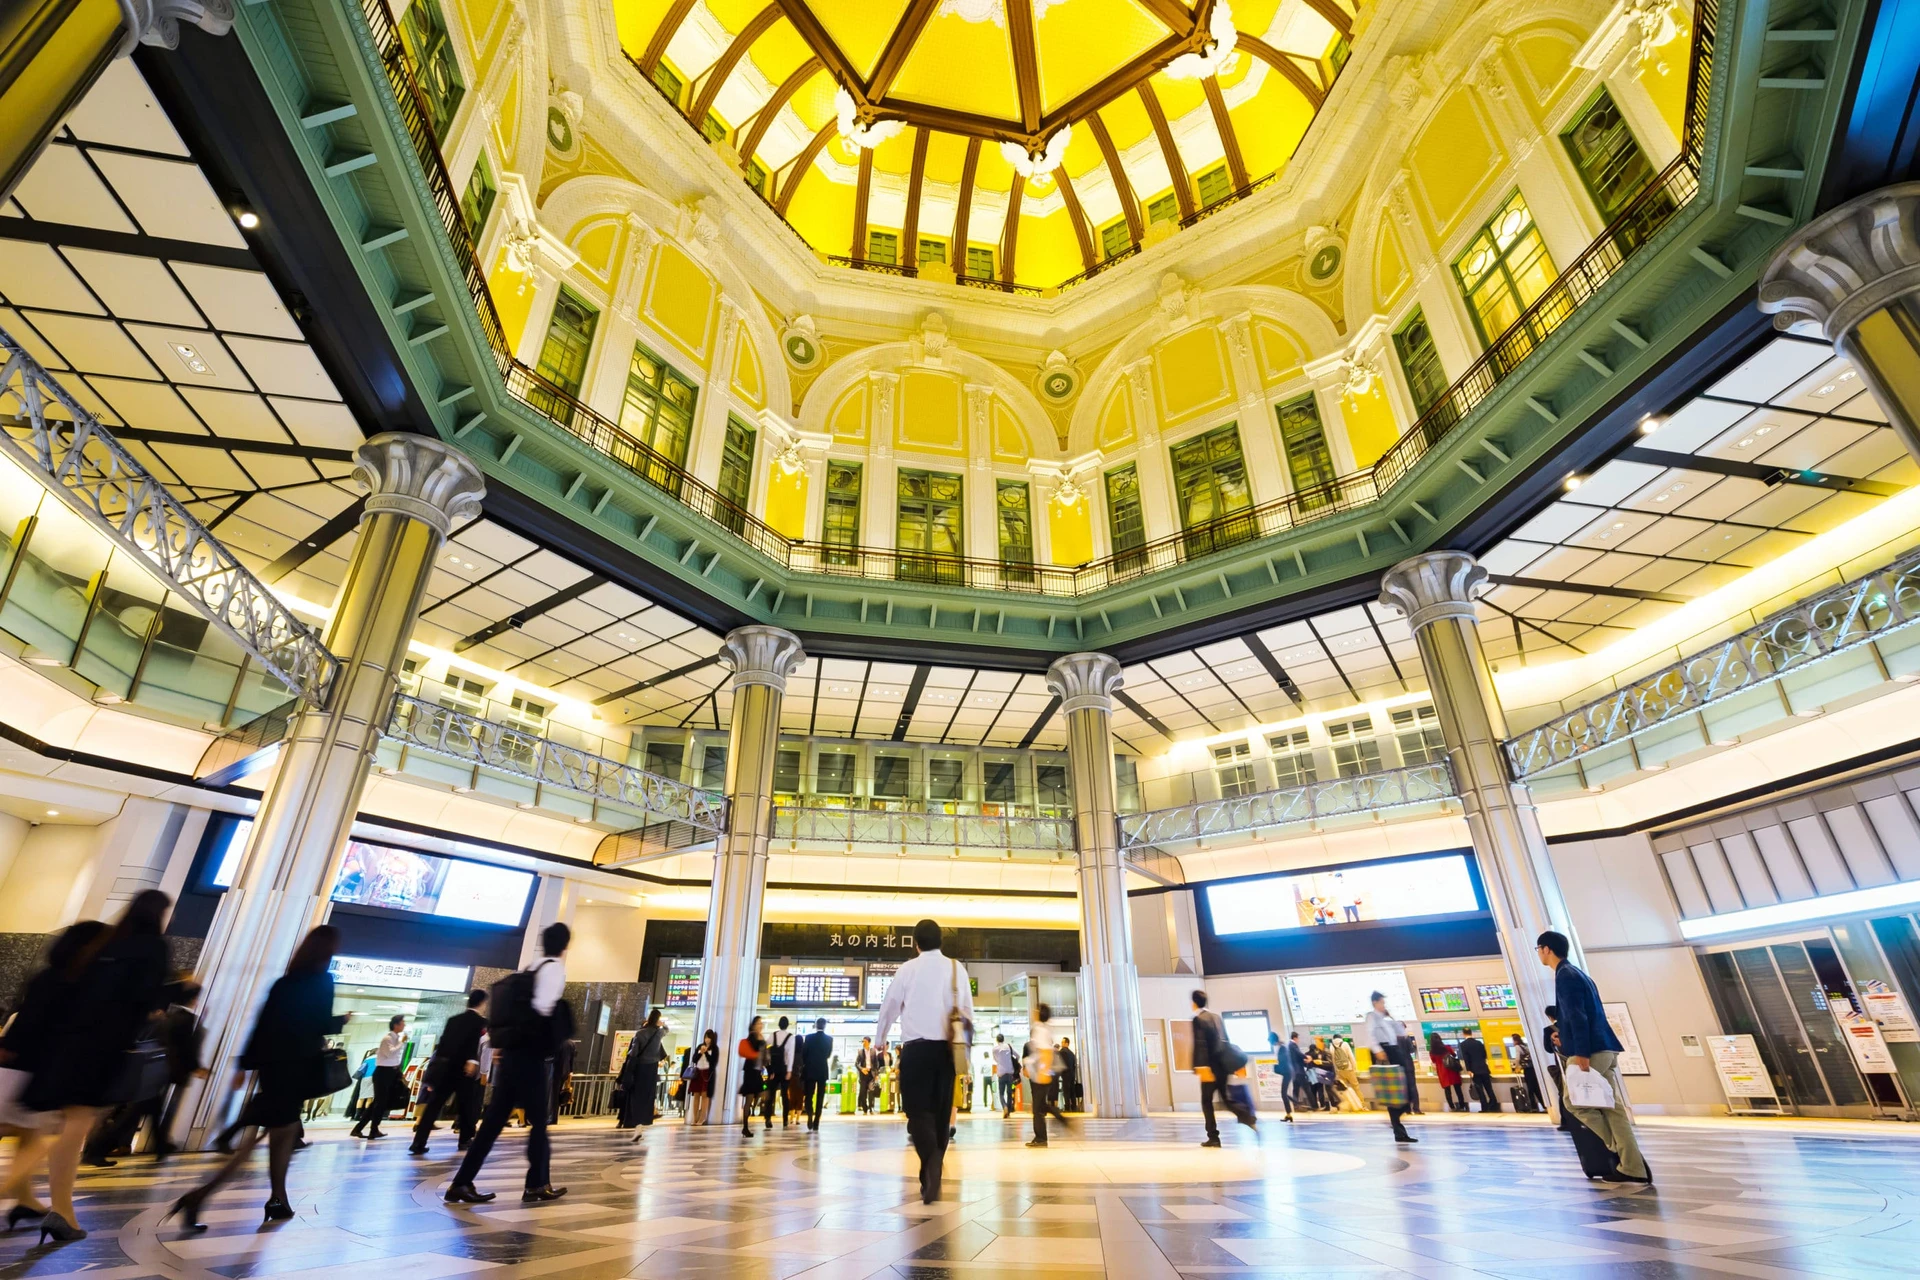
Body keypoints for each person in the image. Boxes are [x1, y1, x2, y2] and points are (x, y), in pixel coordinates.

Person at [165, 925, 348, 1231]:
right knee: (268, 1138)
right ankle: (199, 1196)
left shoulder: (284, 983)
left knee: (280, 1135)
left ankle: (277, 1199)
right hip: (296, 1069)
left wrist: (245, 1066)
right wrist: (340, 1021)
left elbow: (262, 1024)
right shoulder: (323, 981)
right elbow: (317, 1024)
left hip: (273, 1070)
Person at [28, 889, 171, 1243]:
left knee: (68, 1124)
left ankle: (60, 1209)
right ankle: (52, 1207)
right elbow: (146, 998)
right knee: (72, 1128)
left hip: (72, 1042)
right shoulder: (153, 946)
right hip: (105, 1047)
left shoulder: (108, 942)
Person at [443, 921, 572, 1205]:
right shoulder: (553, 970)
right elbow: (543, 1011)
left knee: (492, 1123)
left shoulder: (530, 968)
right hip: (529, 1056)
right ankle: (537, 1184)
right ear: (565, 946)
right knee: (539, 1122)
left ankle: (461, 1182)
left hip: (513, 1055)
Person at [0, 921, 107, 1233]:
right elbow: (36, 1022)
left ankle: (27, 1200)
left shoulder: (48, 975)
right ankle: (13, 1190)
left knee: (27, 1133)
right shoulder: (76, 981)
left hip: (20, 1065)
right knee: (51, 1133)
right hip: (40, 1070)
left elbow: (25, 1018)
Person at [1538, 929, 1651, 1185]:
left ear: (1546, 949)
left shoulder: (1564, 976)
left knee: (1574, 1102)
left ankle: (1618, 1148)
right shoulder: (1578, 973)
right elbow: (1582, 1015)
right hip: (1606, 1046)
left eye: (1539, 949)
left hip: (1592, 1051)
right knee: (1611, 1108)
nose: (1539, 955)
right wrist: (1564, 1037)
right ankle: (1632, 1164)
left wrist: (1580, 1052)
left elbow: (1578, 1016)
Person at [874, 919, 973, 1204]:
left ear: (916, 943)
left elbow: (889, 1006)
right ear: (941, 941)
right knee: (942, 1116)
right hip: (947, 1053)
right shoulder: (957, 969)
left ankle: (930, 1167)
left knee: (918, 1115)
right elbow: (967, 1013)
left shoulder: (908, 969)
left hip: (916, 1052)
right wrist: (964, 1053)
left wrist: (880, 1039)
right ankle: (933, 1169)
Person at [85, 975, 206, 1165]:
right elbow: (184, 1047)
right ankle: (96, 1150)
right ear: (193, 999)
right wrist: (196, 1067)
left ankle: (161, 1145)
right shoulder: (184, 1019)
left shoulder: (167, 1016)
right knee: (132, 1114)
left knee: (153, 1110)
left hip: (152, 1071)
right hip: (159, 1072)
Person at [411, 989, 487, 1155]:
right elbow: (473, 1044)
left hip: (445, 1069)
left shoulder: (453, 1020)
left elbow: (443, 1044)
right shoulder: (479, 1022)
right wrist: (472, 1061)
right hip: (463, 1070)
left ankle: (418, 1142)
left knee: (434, 1106)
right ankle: (465, 1140)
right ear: (482, 1003)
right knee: (466, 1105)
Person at [1190, 990, 1252, 1147]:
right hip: (1223, 1067)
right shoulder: (1216, 1017)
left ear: (1194, 1003)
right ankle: (1247, 1117)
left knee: (1206, 1101)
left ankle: (1213, 1137)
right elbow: (1226, 1041)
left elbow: (1200, 1044)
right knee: (1226, 1099)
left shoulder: (1198, 1019)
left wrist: (1200, 1067)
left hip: (1210, 1068)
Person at [1364, 992, 1416, 1144]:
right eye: (1381, 1003)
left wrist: (1391, 1018)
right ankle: (1398, 1130)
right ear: (1375, 1002)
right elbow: (1369, 1035)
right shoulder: (1371, 1017)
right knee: (1395, 1093)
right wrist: (1377, 1050)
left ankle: (1398, 1129)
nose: (1383, 1005)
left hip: (1394, 1050)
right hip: (1385, 1051)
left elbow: (1402, 1033)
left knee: (1405, 1090)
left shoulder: (1385, 1019)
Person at [352, 1014, 409, 1139]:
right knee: (380, 1102)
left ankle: (361, 1128)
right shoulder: (387, 1039)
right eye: (402, 1022)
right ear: (396, 1025)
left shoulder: (395, 1039)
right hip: (383, 1073)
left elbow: (395, 1058)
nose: (404, 1025)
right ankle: (372, 1129)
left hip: (391, 1073)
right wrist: (401, 1043)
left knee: (379, 1103)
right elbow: (390, 1053)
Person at [1024, 1002, 1071, 1147]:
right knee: (1040, 1105)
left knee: (1037, 1109)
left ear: (1039, 1013)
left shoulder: (1040, 1029)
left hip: (1040, 1073)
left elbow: (1044, 1053)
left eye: (1035, 1010)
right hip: (1042, 1072)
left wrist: (1029, 1063)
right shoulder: (1044, 1028)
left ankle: (1041, 1138)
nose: (1033, 1011)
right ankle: (1058, 1117)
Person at [617, 1008, 668, 1134]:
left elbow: (633, 1053)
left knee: (635, 1093)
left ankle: (631, 1119)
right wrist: (662, 1024)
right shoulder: (659, 1033)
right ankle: (645, 1119)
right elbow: (667, 1030)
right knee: (648, 1094)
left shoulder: (640, 1033)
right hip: (652, 1067)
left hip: (639, 1066)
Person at [800, 1017, 833, 1131]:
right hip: (822, 1070)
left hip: (810, 1069)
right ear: (825, 1026)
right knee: (820, 1096)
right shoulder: (829, 1039)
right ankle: (816, 1121)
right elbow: (828, 1054)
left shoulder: (809, 1038)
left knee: (809, 1095)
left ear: (816, 1025)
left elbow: (804, 1053)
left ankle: (810, 1114)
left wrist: (806, 1063)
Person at [737, 1016, 767, 1137]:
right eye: (759, 1023)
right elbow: (755, 1050)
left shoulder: (761, 1037)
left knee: (762, 1092)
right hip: (750, 1071)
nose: (761, 1025)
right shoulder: (752, 1036)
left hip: (757, 1071)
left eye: (761, 1023)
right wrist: (760, 1039)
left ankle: (756, 1113)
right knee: (749, 1098)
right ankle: (745, 1126)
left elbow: (764, 1055)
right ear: (754, 1025)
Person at [766, 1016, 795, 1130]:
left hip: (773, 1069)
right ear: (787, 1025)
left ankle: (768, 1118)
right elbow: (790, 1055)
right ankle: (785, 1120)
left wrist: (768, 1066)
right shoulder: (790, 1037)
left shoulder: (772, 1035)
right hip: (784, 1069)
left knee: (771, 1094)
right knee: (784, 1095)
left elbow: (765, 1048)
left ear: (779, 1024)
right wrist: (789, 1070)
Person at [1458, 1027, 1497, 1112]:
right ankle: (1494, 1104)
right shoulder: (1479, 1042)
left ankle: (1484, 1107)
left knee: (1480, 1089)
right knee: (1489, 1088)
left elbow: (1466, 1058)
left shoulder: (1463, 1044)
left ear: (1463, 1034)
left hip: (1474, 1070)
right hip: (1484, 1068)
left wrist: (1469, 1070)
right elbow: (1484, 1054)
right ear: (1471, 1033)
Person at [686, 1030, 717, 1125]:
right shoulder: (700, 1046)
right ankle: (694, 1118)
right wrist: (700, 1052)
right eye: (706, 1037)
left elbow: (713, 1062)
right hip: (698, 1072)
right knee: (696, 1095)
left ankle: (702, 1118)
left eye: (709, 1037)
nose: (707, 1039)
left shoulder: (714, 1048)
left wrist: (706, 1053)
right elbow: (694, 1059)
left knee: (704, 1096)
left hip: (707, 1073)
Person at [1429, 1031, 1465, 1112]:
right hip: (1452, 1069)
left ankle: (1452, 1107)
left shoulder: (1432, 1052)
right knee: (1458, 1089)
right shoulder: (1447, 1047)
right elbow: (1454, 1055)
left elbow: (1434, 1061)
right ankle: (1462, 1105)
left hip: (1442, 1072)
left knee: (1447, 1090)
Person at [1304, 1038, 1334, 1110]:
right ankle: (1322, 1104)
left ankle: (1314, 1105)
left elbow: (1304, 1064)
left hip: (1310, 1073)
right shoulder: (1317, 1054)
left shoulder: (1306, 1054)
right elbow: (1321, 1063)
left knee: (1312, 1090)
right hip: (1318, 1072)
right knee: (1320, 1089)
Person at [992, 1035, 1018, 1118]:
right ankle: (1009, 1112)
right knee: (1010, 1093)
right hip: (1010, 1073)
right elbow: (1017, 1056)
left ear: (997, 1040)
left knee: (1001, 1093)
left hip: (1001, 1074)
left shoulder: (995, 1049)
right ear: (1003, 1039)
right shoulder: (1008, 1047)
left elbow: (996, 1060)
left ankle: (1004, 1107)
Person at [1286, 1032, 1312, 1110]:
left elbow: (1296, 1057)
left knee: (1296, 1089)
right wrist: (1307, 1057)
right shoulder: (1292, 1045)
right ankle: (1314, 1106)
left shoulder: (1289, 1045)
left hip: (1294, 1071)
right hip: (1298, 1071)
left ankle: (1296, 1106)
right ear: (1295, 1038)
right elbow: (1299, 1053)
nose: (1298, 1040)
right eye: (1298, 1038)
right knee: (1307, 1089)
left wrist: (1304, 1059)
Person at [855, 1037, 878, 1113]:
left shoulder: (873, 1051)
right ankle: (865, 1108)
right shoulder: (860, 1052)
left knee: (871, 1091)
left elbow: (876, 1063)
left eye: (865, 1041)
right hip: (863, 1074)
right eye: (862, 1041)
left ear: (869, 1042)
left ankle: (871, 1107)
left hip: (871, 1074)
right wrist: (862, 1069)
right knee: (863, 1092)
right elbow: (856, 1064)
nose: (863, 1043)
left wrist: (876, 1074)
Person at [1056, 1037, 1079, 1112]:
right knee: (1072, 1091)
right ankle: (1074, 1107)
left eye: (1063, 1042)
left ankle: (1067, 1107)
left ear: (1067, 1043)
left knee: (1066, 1091)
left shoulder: (1062, 1052)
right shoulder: (1072, 1053)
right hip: (1072, 1074)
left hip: (1065, 1074)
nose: (1061, 1044)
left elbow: (1061, 1064)